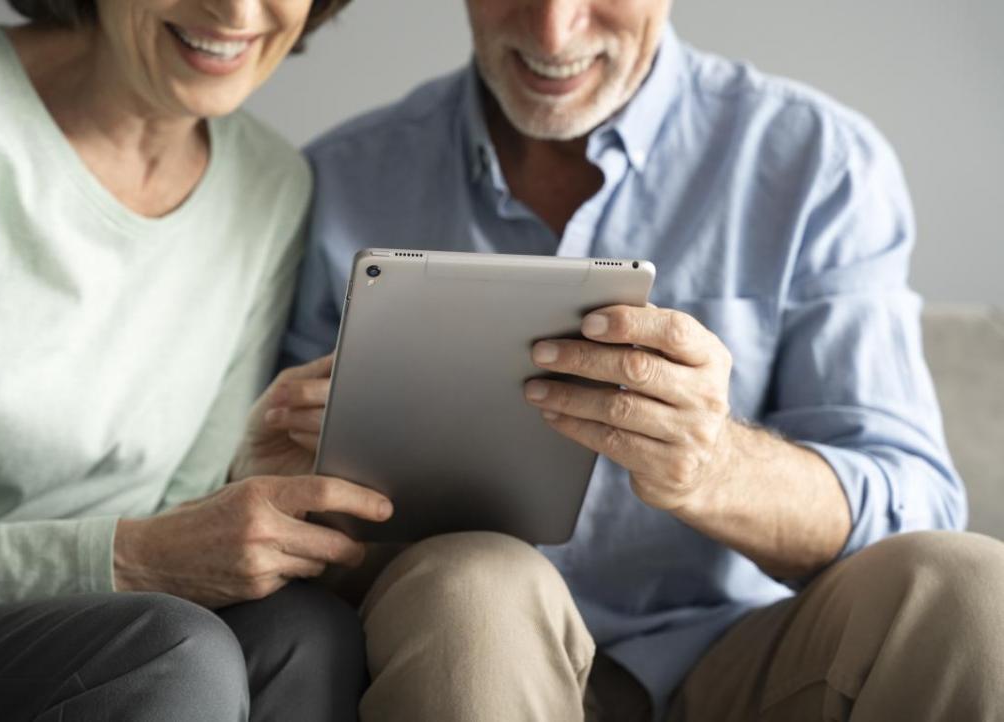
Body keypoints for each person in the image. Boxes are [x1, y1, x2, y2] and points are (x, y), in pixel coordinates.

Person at [281, 0, 1004, 720]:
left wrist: (717, 466)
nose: (552, 30)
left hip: (749, 656)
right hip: (467, 648)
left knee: (971, 584)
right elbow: (296, 532)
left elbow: (913, 506)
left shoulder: (816, 161)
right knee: (472, 583)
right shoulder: (340, 181)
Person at [0, 0, 393, 720]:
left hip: (100, 624)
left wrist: (236, 481)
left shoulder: (269, 183)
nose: (238, 10)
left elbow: (166, 521)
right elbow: (147, 562)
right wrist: (130, 556)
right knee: (175, 653)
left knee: (309, 634)